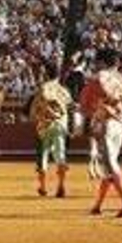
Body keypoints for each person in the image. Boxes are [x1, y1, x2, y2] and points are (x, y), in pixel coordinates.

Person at [80, 48, 122, 218]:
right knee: (110, 165)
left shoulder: (98, 78)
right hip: (120, 126)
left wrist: (88, 119)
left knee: (110, 165)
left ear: (101, 62)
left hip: (106, 124)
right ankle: (97, 206)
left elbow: (84, 106)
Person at [29, 63, 74, 198]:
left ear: (46, 73)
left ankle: (43, 187)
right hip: (61, 125)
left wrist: (44, 115)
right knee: (60, 155)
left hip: (45, 125)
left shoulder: (43, 88)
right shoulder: (63, 90)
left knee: (43, 155)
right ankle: (61, 185)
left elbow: (38, 106)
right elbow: (71, 107)